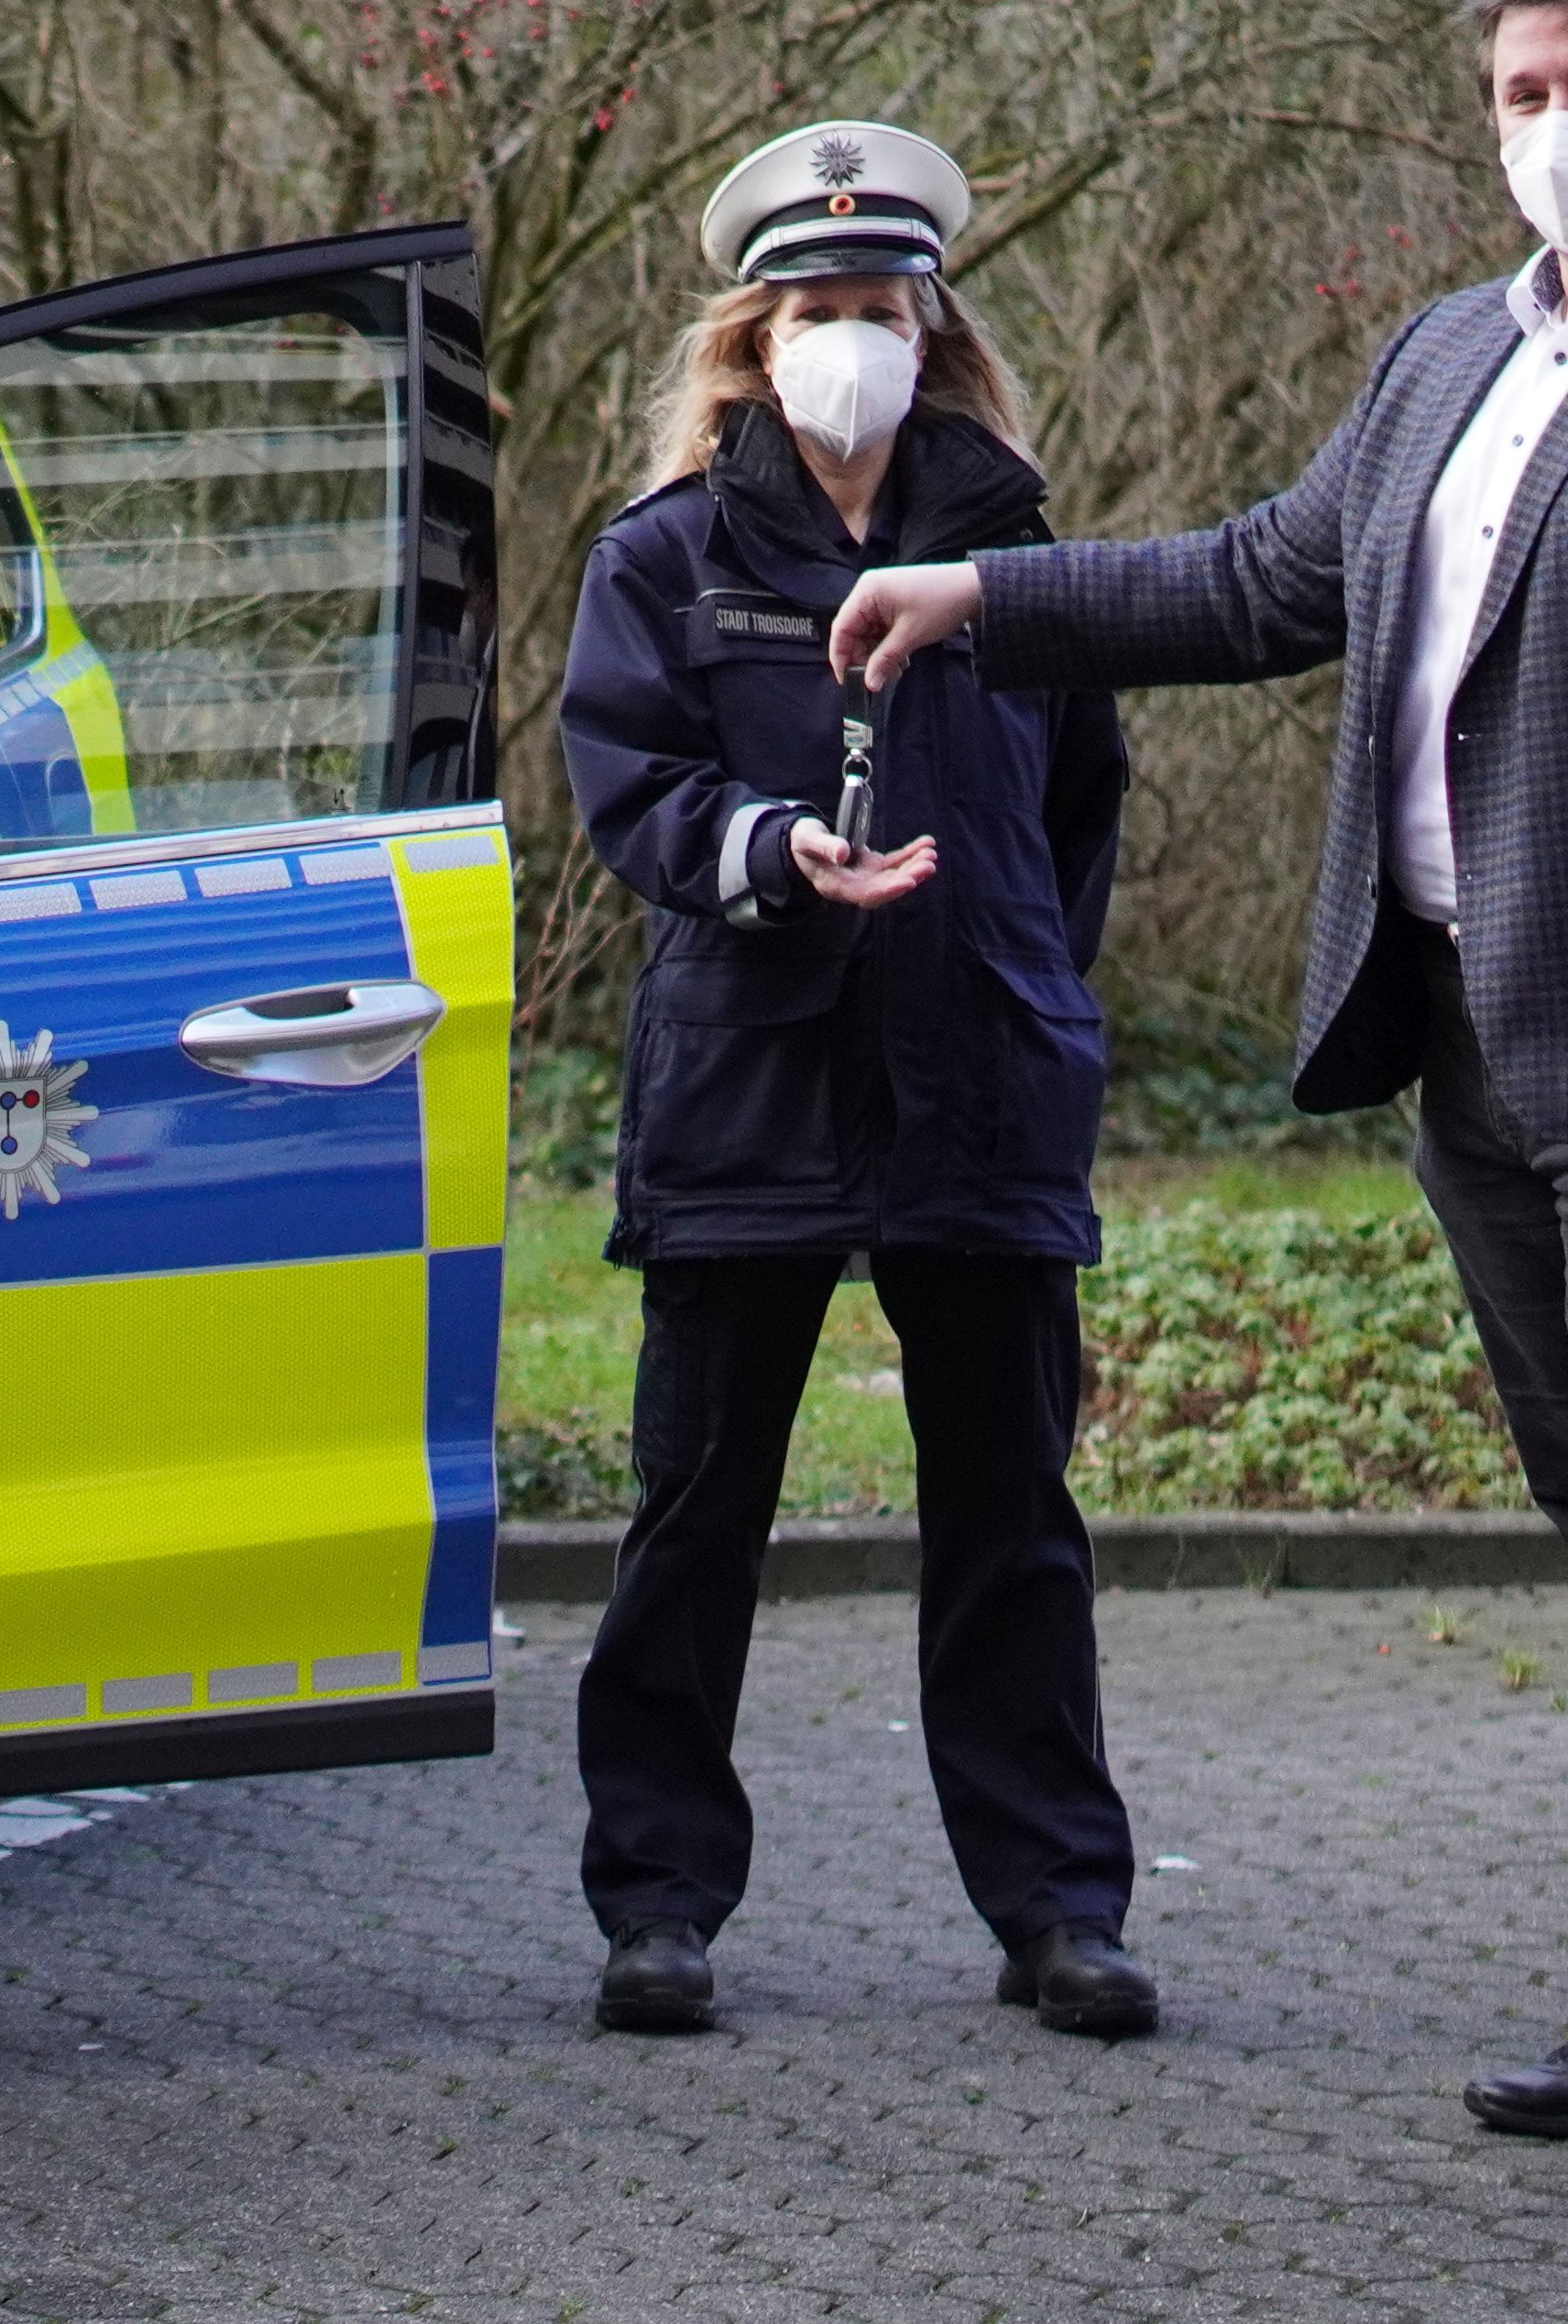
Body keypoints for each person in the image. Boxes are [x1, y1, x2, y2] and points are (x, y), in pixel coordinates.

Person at [834, 0, 1568, 2207]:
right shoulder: (1445, 355)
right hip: (1472, 1042)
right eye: (1514, 90)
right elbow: (1259, 580)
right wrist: (980, 600)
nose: (1549, 128)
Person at [558, 122, 1152, 2045]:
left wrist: (1011, 977)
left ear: (930, 327)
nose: (848, 338)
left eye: (878, 308)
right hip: (750, 1077)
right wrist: (765, 858)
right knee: (694, 1504)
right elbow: (627, 789)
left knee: (1010, 1509)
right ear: (752, 336)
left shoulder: (1022, 555)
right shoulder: (663, 554)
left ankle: (1058, 1909)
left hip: (975, 1082)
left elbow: (1077, 810)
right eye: (813, 309)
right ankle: (656, 1905)